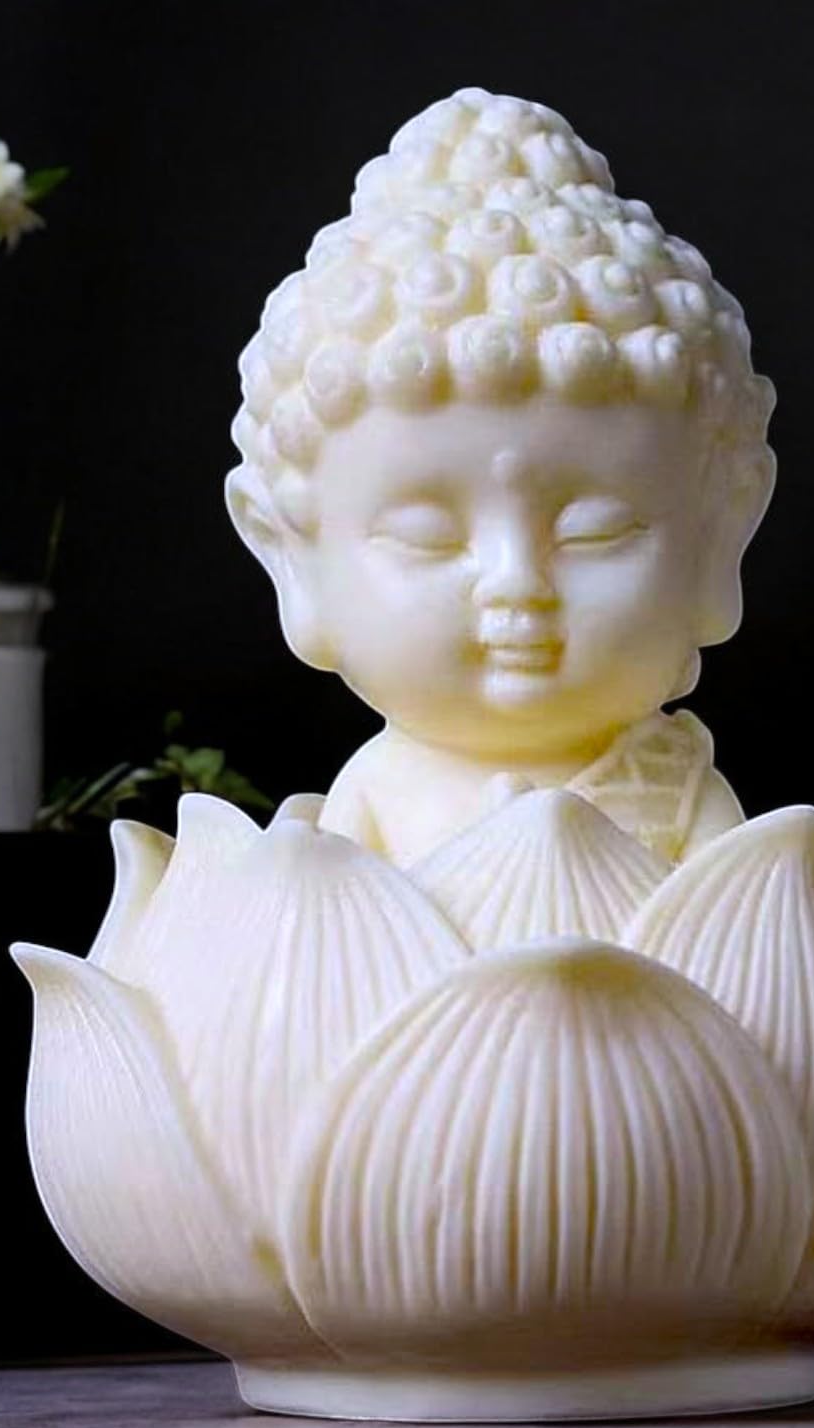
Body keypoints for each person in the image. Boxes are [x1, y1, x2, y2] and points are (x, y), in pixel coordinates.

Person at [226, 87, 776, 865]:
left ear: (721, 535)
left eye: (594, 533)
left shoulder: (676, 794)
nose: (518, 583)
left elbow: (741, 930)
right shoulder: (373, 803)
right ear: (293, 557)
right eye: (427, 537)